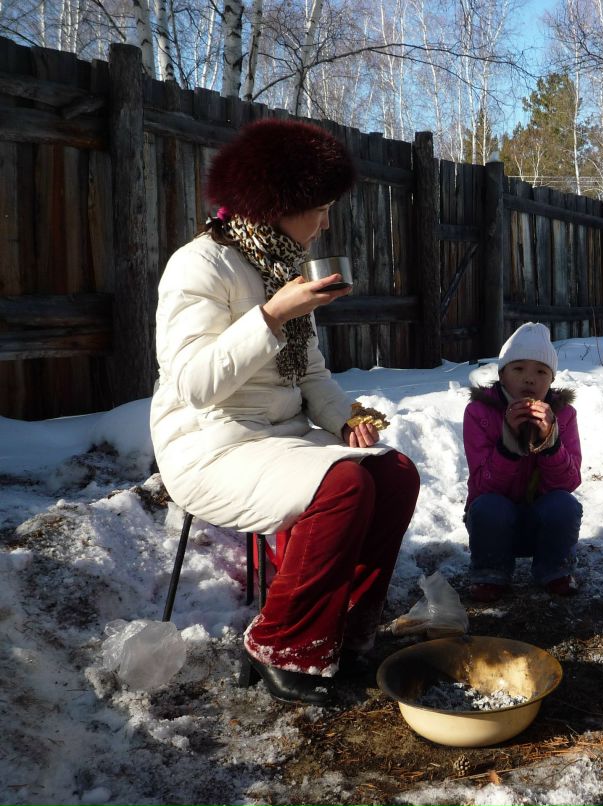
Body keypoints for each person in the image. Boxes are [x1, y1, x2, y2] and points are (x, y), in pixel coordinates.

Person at [150, 119, 420, 706]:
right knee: (344, 484)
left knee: (393, 474)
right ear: (279, 205)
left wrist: (345, 417)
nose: (325, 222)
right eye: (317, 208)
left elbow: (312, 375)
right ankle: (281, 642)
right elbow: (194, 384)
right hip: (211, 443)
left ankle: (344, 630)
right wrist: (270, 316)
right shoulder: (198, 266)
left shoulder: (280, 267)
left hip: (283, 438)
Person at [462, 322, 583, 603]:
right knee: (488, 506)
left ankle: (555, 570)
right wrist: (508, 447)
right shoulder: (479, 413)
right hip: (493, 524)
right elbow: (481, 487)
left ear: (551, 381)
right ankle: (490, 572)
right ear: (502, 375)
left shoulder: (563, 415)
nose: (529, 379)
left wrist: (550, 444)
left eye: (541, 371)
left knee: (565, 504)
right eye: (518, 369)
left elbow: (569, 482)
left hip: (541, 522)